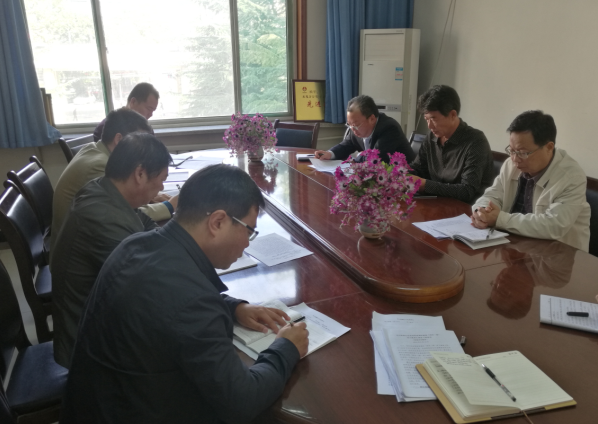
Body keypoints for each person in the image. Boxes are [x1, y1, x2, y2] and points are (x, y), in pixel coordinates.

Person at [60, 164, 309, 423]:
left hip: (95, 406)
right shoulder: (192, 300)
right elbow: (243, 400)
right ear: (217, 222)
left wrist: (234, 308)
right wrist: (286, 348)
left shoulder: (136, 244)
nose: (247, 243)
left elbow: (163, 302)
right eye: (248, 230)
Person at [51, 133, 172, 369]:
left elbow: (144, 223)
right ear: (140, 174)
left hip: (100, 319)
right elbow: (152, 287)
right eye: (161, 179)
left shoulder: (103, 188)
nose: (162, 187)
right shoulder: (103, 218)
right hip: (91, 347)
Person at [52, 108, 176, 251]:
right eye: (141, 142)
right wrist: (169, 206)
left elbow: (136, 215)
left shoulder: (96, 152)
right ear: (120, 140)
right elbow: (124, 218)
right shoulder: (99, 166)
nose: (149, 153)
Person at [471, 110, 590, 252]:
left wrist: (499, 219)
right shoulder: (511, 164)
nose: (514, 158)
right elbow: (492, 195)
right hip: (514, 248)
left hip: (558, 255)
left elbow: (554, 225)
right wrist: (482, 212)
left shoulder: (571, 177)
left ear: (549, 147)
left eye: (522, 152)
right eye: (512, 150)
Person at [409, 85, 494, 203]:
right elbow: (418, 168)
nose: (429, 126)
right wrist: (401, 175)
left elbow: (467, 191)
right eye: (426, 119)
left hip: (467, 208)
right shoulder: (431, 137)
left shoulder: (476, 141)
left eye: (433, 119)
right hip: (436, 204)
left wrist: (425, 185)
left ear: (453, 115)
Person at [314, 95, 415, 163]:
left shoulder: (389, 128)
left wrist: (355, 158)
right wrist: (330, 154)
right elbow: (346, 145)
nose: (352, 129)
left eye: (355, 125)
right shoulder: (356, 128)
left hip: (404, 180)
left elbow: (375, 159)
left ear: (372, 119)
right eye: (349, 124)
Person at [93, 82, 159, 142]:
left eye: (153, 111)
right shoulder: (106, 127)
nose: (151, 114)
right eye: (149, 109)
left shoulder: (145, 127)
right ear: (133, 102)